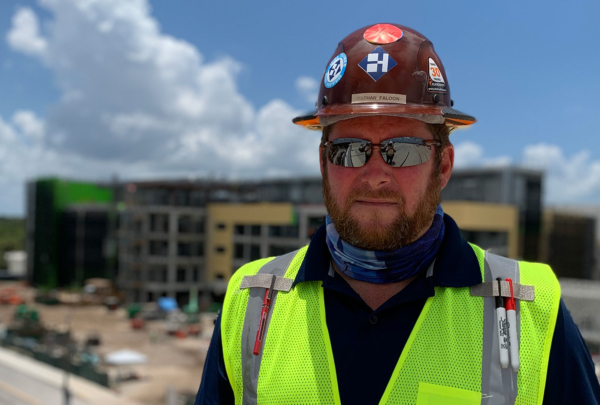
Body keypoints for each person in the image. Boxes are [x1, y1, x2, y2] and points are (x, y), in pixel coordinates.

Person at [195, 23, 600, 404]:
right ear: (324, 164)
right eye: (348, 150)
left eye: (403, 149)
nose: (374, 176)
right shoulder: (251, 303)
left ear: (442, 167)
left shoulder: (530, 309)